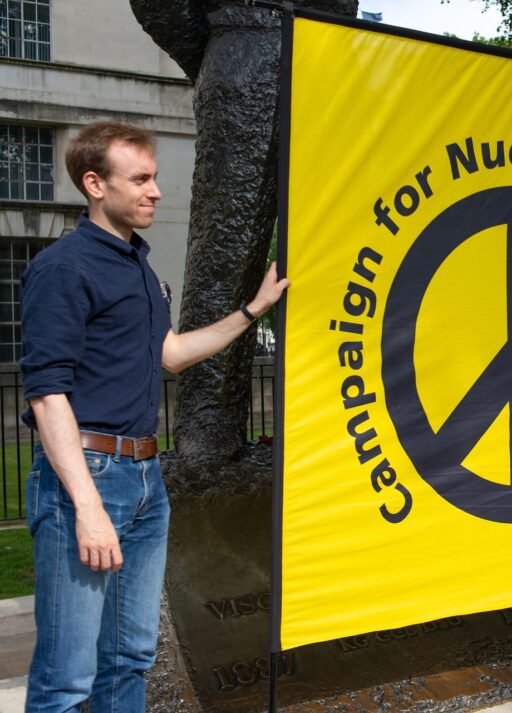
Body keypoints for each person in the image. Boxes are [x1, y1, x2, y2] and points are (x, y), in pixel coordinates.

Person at [20, 121, 289, 712]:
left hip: (145, 480)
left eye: (155, 178)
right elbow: (47, 396)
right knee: (67, 678)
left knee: (129, 660)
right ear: (95, 184)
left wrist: (253, 310)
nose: (156, 192)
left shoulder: (137, 265)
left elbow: (168, 353)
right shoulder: (64, 269)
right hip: (85, 483)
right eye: (140, 179)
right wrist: (88, 509)